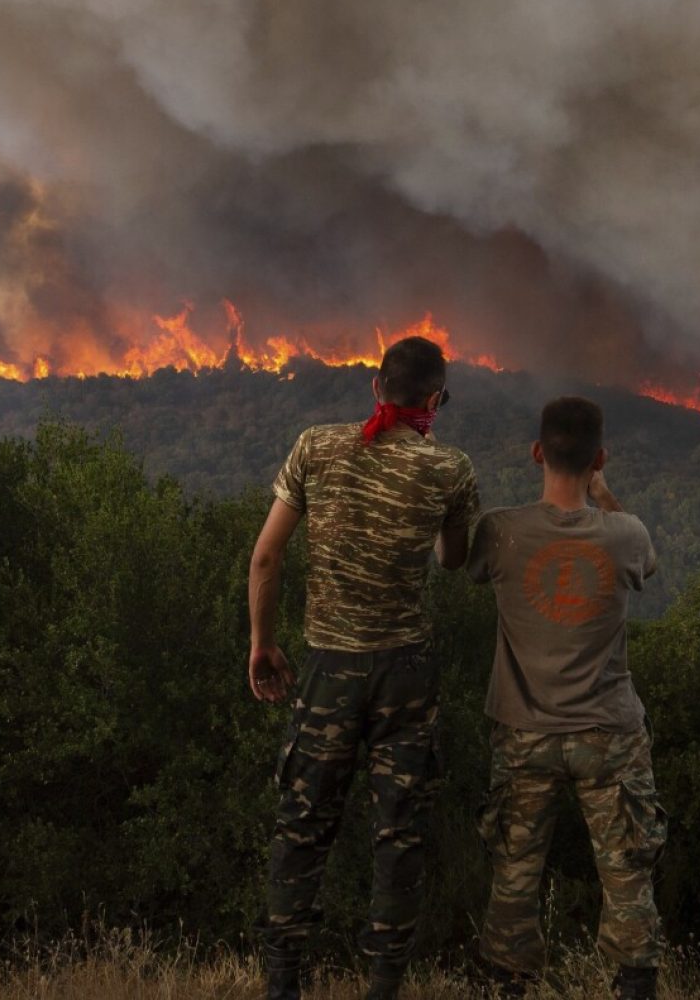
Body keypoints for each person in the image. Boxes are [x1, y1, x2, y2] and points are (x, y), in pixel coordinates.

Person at [247, 336, 480, 1000]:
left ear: (377, 389)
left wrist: (262, 643)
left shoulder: (315, 447)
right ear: (434, 399)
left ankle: (283, 983)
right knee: (398, 835)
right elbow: (453, 560)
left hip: (329, 669)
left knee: (302, 827)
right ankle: (383, 987)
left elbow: (266, 559)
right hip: (406, 674)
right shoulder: (451, 469)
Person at [467, 396, 666, 1000]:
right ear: (600, 458)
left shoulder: (500, 531)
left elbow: (461, 564)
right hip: (608, 734)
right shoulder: (625, 533)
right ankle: (634, 986)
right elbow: (647, 566)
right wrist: (604, 496)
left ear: (536, 453)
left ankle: (507, 985)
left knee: (514, 873)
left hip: (524, 732)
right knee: (628, 872)